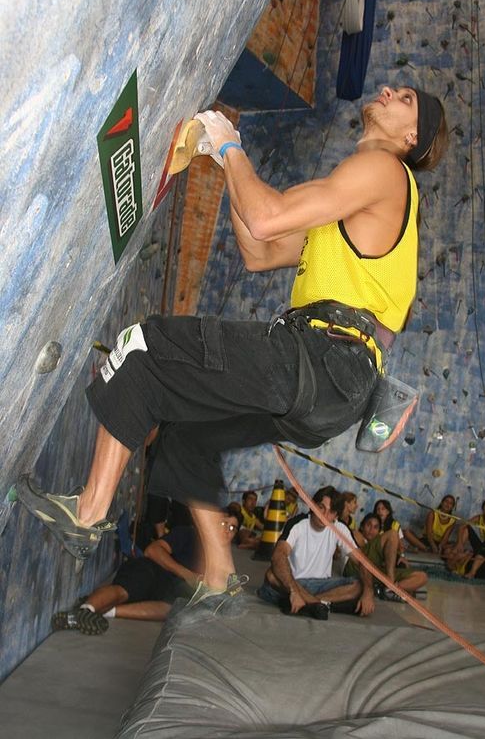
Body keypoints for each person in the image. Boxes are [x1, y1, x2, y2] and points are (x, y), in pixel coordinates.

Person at [18, 85, 448, 616]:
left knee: (144, 344)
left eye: (404, 97)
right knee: (185, 436)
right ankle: (220, 576)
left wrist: (229, 144)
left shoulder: (384, 168)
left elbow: (266, 215)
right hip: (332, 390)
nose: (388, 90)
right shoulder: (349, 212)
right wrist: (225, 165)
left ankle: (87, 514)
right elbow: (260, 250)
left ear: (411, 137)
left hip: (321, 359)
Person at [52, 513, 239, 634]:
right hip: (153, 571)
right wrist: (188, 575)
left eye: (232, 528)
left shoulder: (223, 562)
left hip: (167, 595)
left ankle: (101, 611)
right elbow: (153, 550)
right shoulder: (189, 534)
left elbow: (232, 592)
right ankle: (85, 610)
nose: (226, 530)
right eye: (224, 523)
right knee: (126, 589)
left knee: (174, 608)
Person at [257, 487, 374, 619]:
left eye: (331, 512)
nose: (324, 515)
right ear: (312, 505)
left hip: (322, 586)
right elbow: (278, 555)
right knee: (271, 575)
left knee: (359, 585)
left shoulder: (339, 528)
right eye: (321, 507)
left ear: (336, 516)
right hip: (293, 582)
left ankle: (309, 604)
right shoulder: (298, 523)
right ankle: (320, 604)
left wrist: (368, 592)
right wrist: (294, 590)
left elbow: (362, 561)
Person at [344, 513, 427, 601]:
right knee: (393, 534)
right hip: (356, 567)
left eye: (375, 527)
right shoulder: (356, 535)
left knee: (422, 576)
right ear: (361, 527)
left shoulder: (380, 545)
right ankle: (390, 583)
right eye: (369, 525)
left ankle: (388, 591)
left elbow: (392, 554)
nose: (371, 530)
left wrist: (400, 556)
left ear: (379, 531)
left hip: (375, 573)